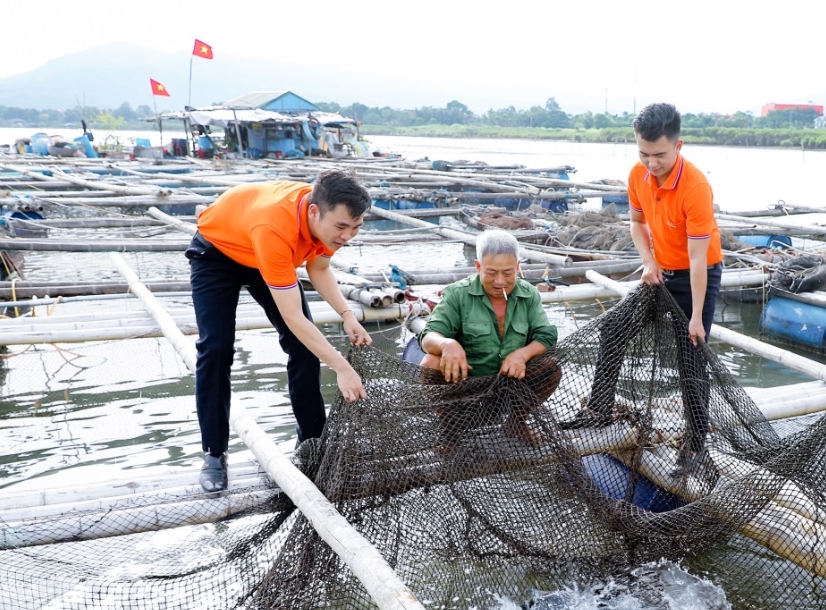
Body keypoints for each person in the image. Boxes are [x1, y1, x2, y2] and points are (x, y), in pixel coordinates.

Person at [186, 169, 373, 493]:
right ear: (314, 212)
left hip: (265, 252)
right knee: (216, 349)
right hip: (218, 252)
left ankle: (312, 445)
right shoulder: (275, 226)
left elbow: (319, 267)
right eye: (342, 227)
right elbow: (294, 317)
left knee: (303, 349)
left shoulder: (330, 223)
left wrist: (347, 315)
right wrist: (342, 367)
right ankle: (214, 454)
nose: (347, 236)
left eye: (355, 228)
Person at [562, 103, 723, 469]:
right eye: (644, 154)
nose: (651, 163)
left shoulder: (695, 187)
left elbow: (699, 259)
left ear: (678, 145)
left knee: (691, 355)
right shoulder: (638, 175)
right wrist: (649, 262)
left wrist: (696, 318)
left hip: (696, 275)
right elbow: (637, 223)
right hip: (660, 272)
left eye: (659, 155)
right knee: (613, 327)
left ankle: (696, 446)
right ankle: (598, 410)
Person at [417, 229, 561, 446]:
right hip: (465, 385)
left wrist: (522, 355)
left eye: (508, 273)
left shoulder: (529, 294)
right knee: (430, 363)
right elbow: (428, 337)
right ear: (478, 266)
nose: (500, 281)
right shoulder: (457, 294)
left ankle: (516, 422)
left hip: (512, 382)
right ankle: (450, 431)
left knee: (550, 367)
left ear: (518, 267)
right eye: (492, 273)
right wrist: (447, 344)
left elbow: (547, 335)